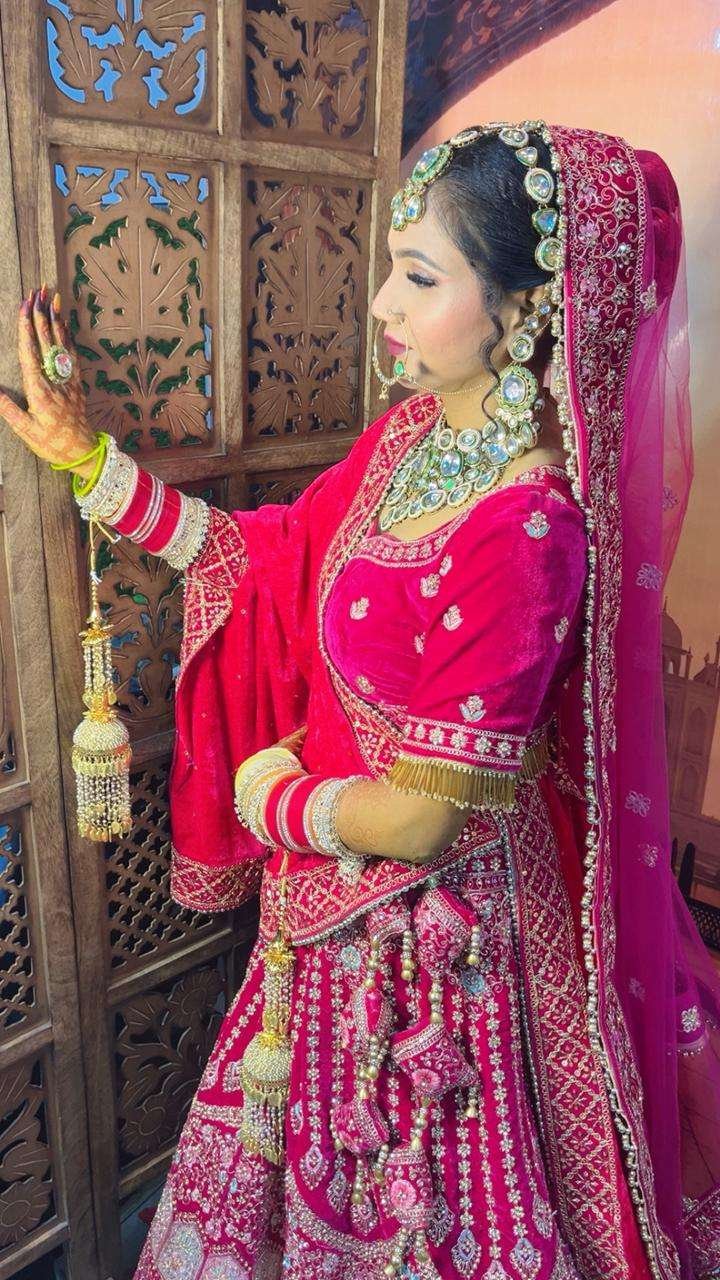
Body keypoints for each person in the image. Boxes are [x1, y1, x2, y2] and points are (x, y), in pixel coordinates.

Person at [1, 119, 719, 1280]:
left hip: (438, 954)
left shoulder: (527, 528)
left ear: (523, 309)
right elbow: (270, 561)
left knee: (419, 1205)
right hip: (320, 917)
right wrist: (96, 466)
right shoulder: (407, 443)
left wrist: (274, 800)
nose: (381, 302)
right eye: (392, 266)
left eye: (421, 277)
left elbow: (425, 820)